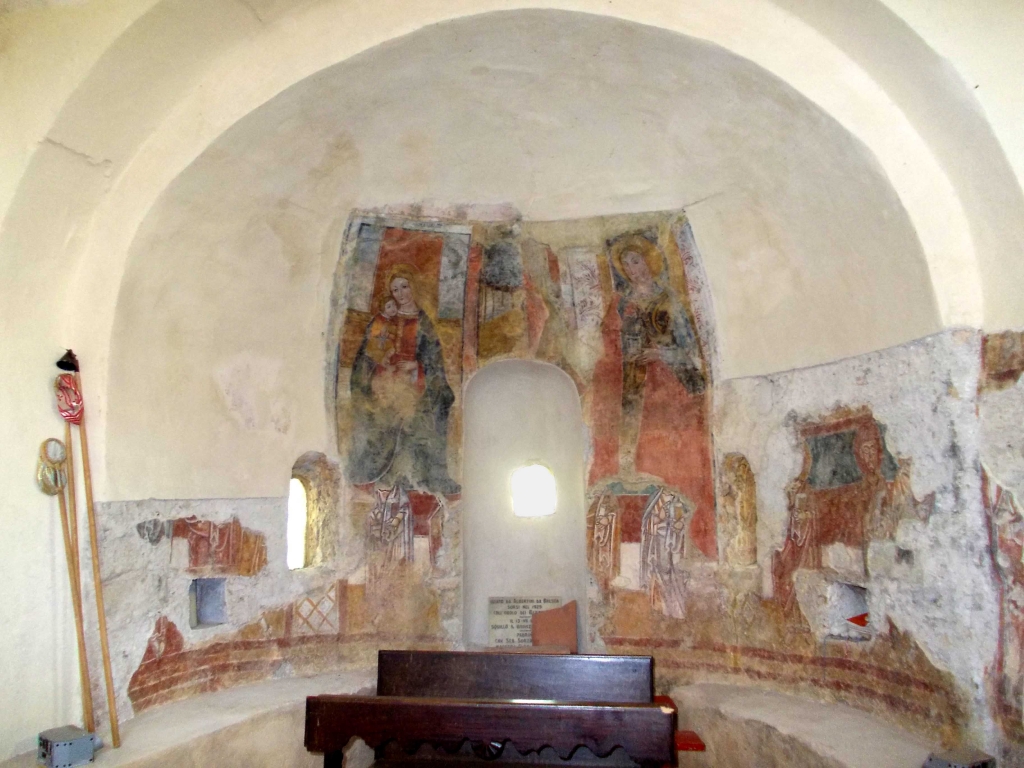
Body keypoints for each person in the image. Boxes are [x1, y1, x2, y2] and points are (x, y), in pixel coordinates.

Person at [589, 234, 716, 559]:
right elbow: (608, 345)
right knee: (640, 454)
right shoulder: (620, 303)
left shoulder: (669, 299)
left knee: (673, 454)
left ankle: (687, 529)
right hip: (633, 387)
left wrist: (660, 352)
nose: (634, 268)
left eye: (637, 260)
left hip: (670, 387)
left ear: (650, 260)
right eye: (627, 264)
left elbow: (690, 347)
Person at [347, 264, 460, 495]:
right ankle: (379, 473)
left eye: (404, 287)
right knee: (381, 413)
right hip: (385, 381)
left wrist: (416, 366)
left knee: (429, 411)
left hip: (416, 381)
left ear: (413, 287)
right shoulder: (384, 318)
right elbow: (367, 354)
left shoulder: (424, 322)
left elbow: (434, 358)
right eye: (395, 290)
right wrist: (379, 371)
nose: (400, 294)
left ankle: (422, 476)